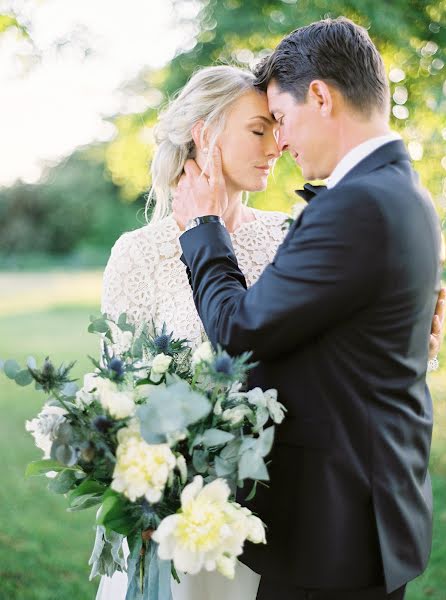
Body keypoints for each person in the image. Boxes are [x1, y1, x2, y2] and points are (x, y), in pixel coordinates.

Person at [173, 17, 444, 600]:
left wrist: (202, 228)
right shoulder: (407, 193)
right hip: (364, 516)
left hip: (334, 533)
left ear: (320, 96)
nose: (282, 141)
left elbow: (240, 329)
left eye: (283, 118)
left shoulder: (358, 204)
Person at [97, 64, 286, 600]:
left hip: (268, 514)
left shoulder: (286, 238)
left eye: (276, 128)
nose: (276, 145)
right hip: (173, 519)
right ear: (204, 133)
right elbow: (117, 402)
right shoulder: (137, 255)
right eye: (257, 129)